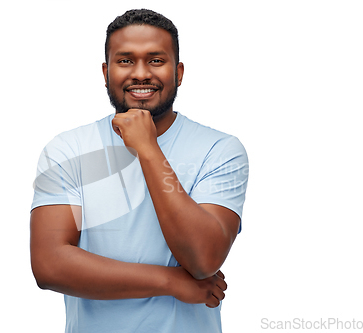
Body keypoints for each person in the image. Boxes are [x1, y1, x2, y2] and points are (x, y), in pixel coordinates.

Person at [30, 9, 249, 333]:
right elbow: (49, 265)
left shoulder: (219, 150)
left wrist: (147, 148)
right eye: (125, 60)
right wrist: (170, 281)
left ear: (179, 72)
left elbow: (204, 258)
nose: (141, 73)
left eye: (156, 60)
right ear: (106, 72)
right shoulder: (70, 149)